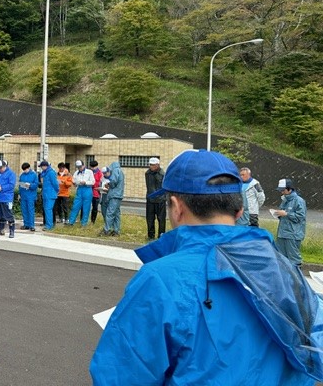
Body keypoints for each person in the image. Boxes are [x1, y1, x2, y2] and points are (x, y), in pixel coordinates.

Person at [90, 149, 323, 386]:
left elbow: (119, 375)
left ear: (176, 206)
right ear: (239, 209)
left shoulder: (160, 280)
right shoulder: (286, 269)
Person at [275, 178, 307, 268]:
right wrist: (278, 214)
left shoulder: (299, 201)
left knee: (294, 259)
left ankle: (297, 279)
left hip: (293, 234)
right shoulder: (284, 200)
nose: (281, 192)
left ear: (289, 189)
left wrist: (286, 214)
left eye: (283, 190)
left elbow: (300, 217)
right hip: (282, 233)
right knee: (281, 258)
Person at [0, 160, 16, 238]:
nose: (0, 169)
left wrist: (2, 188)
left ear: (5, 166)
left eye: (1, 168)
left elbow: (11, 185)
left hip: (7, 198)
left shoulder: (11, 174)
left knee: (8, 215)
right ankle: (1, 230)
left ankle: (11, 231)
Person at [68, 160, 95, 226]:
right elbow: (74, 180)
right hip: (79, 189)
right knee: (75, 207)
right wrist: (75, 183)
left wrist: (85, 182)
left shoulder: (89, 172)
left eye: (80, 166)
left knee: (86, 208)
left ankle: (84, 223)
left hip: (87, 189)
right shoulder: (76, 172)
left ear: (83, 165)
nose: (79, 168)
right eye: (78, 167)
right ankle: (71, 222)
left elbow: (93, 181)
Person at [144, 157, 166, 239]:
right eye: (150, 165)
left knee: (161, 219)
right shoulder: (147, 173)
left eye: (153, 165)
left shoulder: (163, 174)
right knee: (149, 219)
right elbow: (148, 186)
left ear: (157, 165)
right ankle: (150, 236)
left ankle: (161, 236)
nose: (151, 166)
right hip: (150, 199)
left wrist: (162, 197)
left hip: (160, 200)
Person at [102, 161, 124, 236]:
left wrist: (109, 184)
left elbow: (114, 181)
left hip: (114, 195)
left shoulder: (115, 170)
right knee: (116, 214)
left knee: (110, 213)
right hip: (118, 195)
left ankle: (106, 230)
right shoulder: (120, 171)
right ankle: (116, 230)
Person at [39, 160, 59, 231]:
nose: (41, 168)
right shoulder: (44, 173)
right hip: (45, 194)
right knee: (46, 210)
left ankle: (49, 225)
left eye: (41, 167)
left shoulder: (51, 173)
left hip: (50, 194)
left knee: (48, 210)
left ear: (45, 166)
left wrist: (56, 191)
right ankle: (48, 224)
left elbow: (55, 184)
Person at [18, 162, 39, 232]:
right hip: (23, 195)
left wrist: (30, 185)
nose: (25, 171)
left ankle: (31, 225)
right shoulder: (22, 175)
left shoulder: (34, 175)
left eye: (26, 169)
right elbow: (20, 185)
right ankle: (26, 224)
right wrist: (19, 194)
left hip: (31, 195)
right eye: (24, 170)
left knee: (30, 210)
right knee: (24, 210)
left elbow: (36, 185)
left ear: (29, 168)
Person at [90, 160, 103, 225]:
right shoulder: (89, 172)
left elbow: (100, 183)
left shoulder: (100, 173)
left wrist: (93, 183)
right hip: (89, 192)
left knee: (95, 208)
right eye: (91, 167)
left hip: (96, 193)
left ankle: (93, 221)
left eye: (93, 167)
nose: (92, 168)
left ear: (96, 166)